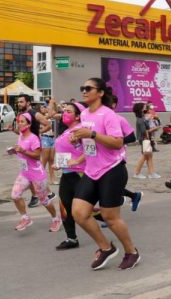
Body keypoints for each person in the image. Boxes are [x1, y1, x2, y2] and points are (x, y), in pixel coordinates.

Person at [70, 78, 141, 270]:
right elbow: (90, 144)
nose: (84, 91)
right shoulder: (84, 114)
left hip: (112, 169)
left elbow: (118, 143)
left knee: (110, 217)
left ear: (100, 93)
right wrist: (77, 139)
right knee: (78, 212)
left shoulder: (108, 115)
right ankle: (106, 247)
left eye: (88, 88)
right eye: (82, 88)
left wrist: (91, 135)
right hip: (92, 170)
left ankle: (131, 251)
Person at [9, 113, 62, 233]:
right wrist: (15, 151)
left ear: (29, 124)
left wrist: (23, 151)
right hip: (25, 172)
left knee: (43, 200)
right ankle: (25, 218)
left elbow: (38, 156)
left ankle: (56, 219)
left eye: (22, 121)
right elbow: (21, 151)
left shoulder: (34, 138)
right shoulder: (21, 135)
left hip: (37, 174)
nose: (19, 123)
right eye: (19, 121)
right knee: (15, 195)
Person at [52, 102, 86, 250]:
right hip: (67, 174)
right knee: (65, 207)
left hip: (80, 174)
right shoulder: (67, 131)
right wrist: (59, 163)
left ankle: (113, 220)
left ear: (78, 116)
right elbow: (67, 152)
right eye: (63, 110)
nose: (64, 113)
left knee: (87, 210)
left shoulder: (82, 130)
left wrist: (78, 149)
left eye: (68, 111)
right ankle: (71, 239)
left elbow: (92, 150)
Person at [132, 103, 160, 179]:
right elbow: (144, 131)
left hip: (145, 139)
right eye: (144, 108)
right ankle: (137, 173)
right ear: (141, 109)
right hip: (145, 139)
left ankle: (151, 173)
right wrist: (154, 129)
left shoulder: (142, 118)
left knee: (149, 156)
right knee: (145, 156)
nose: (146, 109)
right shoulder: (140, 120)